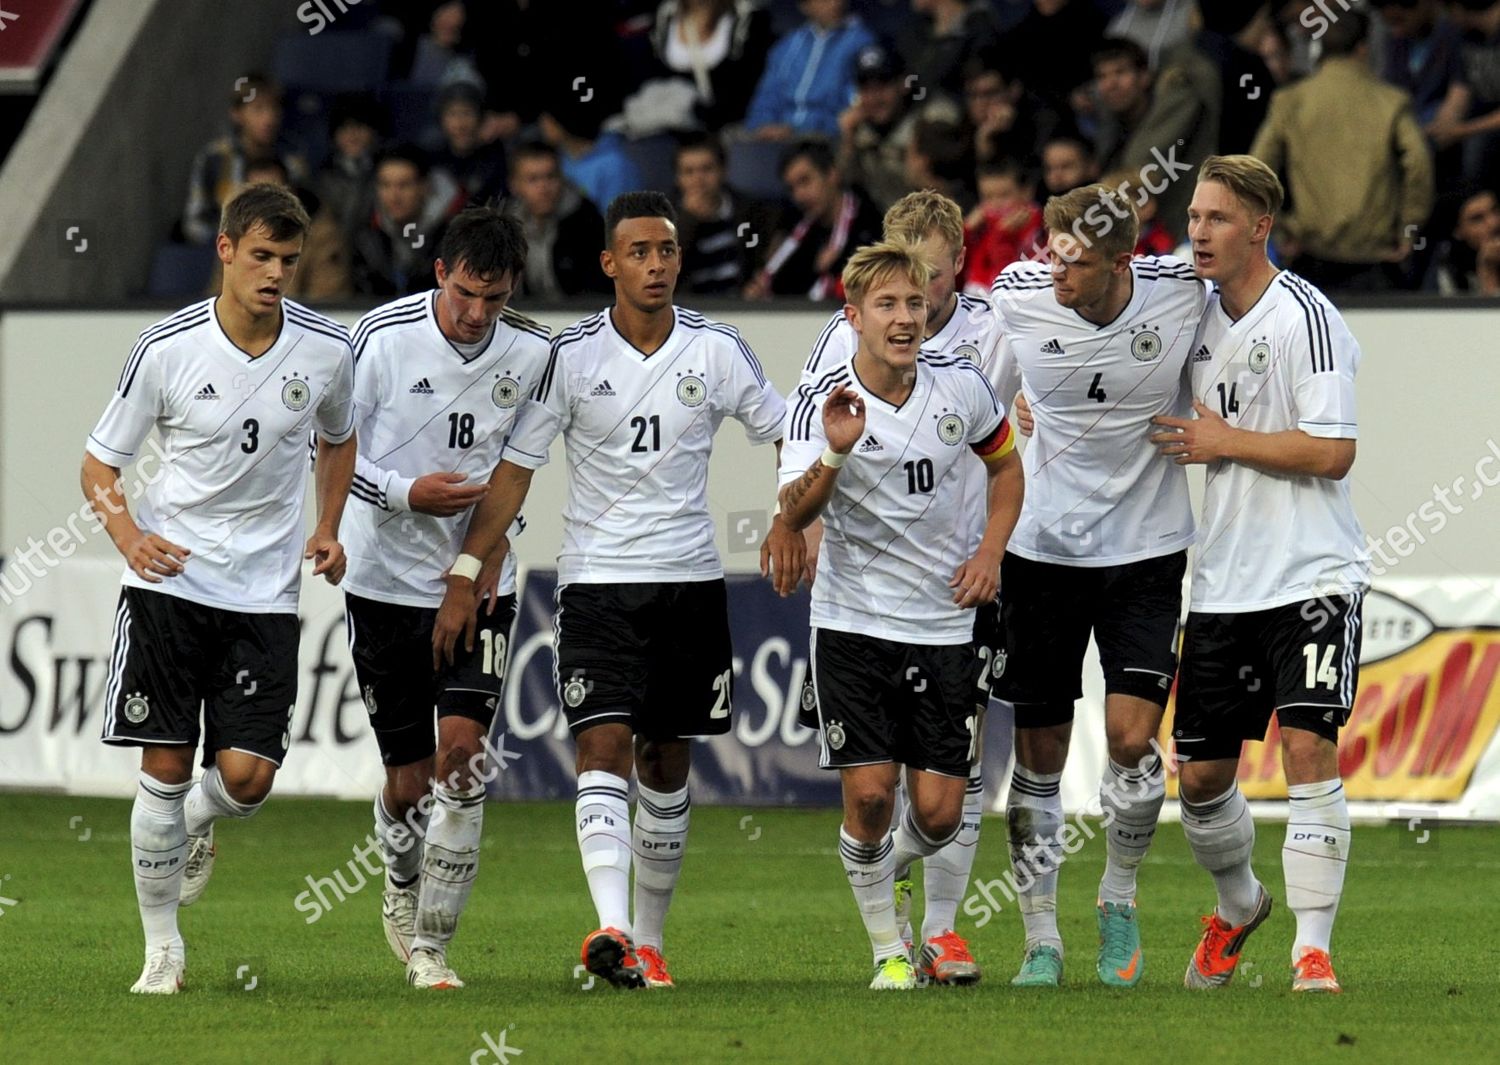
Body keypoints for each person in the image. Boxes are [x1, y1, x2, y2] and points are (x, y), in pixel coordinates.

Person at [431, 191, 798, 990]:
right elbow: (515, 475)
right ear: (609, 263)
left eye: (666, 250)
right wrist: (468, 569)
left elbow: (785, 435)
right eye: (639, 251)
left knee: (667, 762)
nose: (656, 264)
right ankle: (614, 926)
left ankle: (652, 941)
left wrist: (788, 520)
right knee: (602, 748)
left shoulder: (718, 350)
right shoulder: (570, 358)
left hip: (691, 585)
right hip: (597, 586)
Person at [82, 183, 356, 993]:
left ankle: (197, 827)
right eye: (262, 256)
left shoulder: (325, 351)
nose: (275, 273)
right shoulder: (165, 349)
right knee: (164, 768)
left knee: (246, 777)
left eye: (289, 260)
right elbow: (99, 463)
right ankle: (162, 948)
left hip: (263, 595)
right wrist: (129, 536)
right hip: (168, 588)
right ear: (227, 251)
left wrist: (329, 522)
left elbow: (338, 441)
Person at [1149, 154, 1369, 994]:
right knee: (1201, 778)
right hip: (1224, 583)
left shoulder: (1306, 316)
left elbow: (1335, 451)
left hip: (1312, 575)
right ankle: (1240, 903)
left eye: (1217, 219)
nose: (1198, 232)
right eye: (1195, 217)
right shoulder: (1189, 316)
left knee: (1308, 746)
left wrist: (1225, 442)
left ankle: (1312, 948)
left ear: (1260, 227)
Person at [779, 239, 1023, 990]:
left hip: (945, 622)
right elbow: (792, 512)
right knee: (872, 794)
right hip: (852, 620)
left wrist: (990, 550)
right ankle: (890, 948)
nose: (905, 317)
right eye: (887, 304)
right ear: (853, 315)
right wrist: (837, 454)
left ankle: (878, 872)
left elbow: (1006, 467)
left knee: (942, 812)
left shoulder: (963, 389)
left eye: (915, 303)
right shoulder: (820, 397)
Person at [987, 183, 1207, 989]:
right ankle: (1040, 936)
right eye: (1052, 254)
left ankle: (1118, 895)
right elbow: (970, 401)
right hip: (1040, 553)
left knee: (1127, 738)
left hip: (1146, 552)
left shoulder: (1181, 294)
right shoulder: (1016, 297)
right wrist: (1007, 408)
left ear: (1124, 261)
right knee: (1039, 754)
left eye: (1075, 263)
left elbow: (1255, 303)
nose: (1057, 275)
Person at [342, 207, 552, 990]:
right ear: (440, 273)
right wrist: (404, 494)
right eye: (465, 294)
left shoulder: (534, 354)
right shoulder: (379, 339)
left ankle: (433, 946)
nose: (476, 315)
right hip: (382, 581)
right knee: (409, 781)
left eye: (493, 300)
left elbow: (515, 474)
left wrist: (476, 558)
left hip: (479, 582)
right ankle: (399, 875)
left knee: (462, 762)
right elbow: (331, 455)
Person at [1250, 10, 1434, 291]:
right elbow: (1418, 164)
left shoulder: (1290, 100)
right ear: (1363, 47)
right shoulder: (1391, 101)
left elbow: (1256, 169)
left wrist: (1280, 229)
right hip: (1374, 256)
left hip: (1309, 253)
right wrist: (1408, 229)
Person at [746, 139, 884, 299]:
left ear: (832, 174)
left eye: (805, 181)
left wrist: (835, 264)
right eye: (792, 188)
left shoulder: (870, 224)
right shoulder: (792, 226)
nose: (799, 196)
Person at [181, 75, 310, 245]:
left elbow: (304, 216)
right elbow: (194, 223)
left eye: (274, 109)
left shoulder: (292, 158)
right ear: (237, 114)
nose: (269, 119)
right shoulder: (215, 158)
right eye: (258, 109)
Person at [743, 0, 876, 140]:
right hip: (775, 139)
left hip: (825, 140)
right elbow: (765, 99)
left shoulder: (863, 44)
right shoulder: (788, 45)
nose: (833, 3)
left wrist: (798, 130)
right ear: (805, 5)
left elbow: (853, 107)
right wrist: (764, 125)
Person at [672, 135, 777, 294]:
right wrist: (688, 220)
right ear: (678, 179)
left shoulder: (748, 213)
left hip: (739, 308)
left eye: (707, 169)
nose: (698, 180)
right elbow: (668, 273)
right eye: (689, 172)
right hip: (690, 312)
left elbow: (756, 258)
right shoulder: (664, 221)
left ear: (723, 171)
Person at [505, 142, 610, 299]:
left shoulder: (588, 222)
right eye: (533, 180)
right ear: (514, 185)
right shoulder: (505, 228)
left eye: (550, 177)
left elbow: (600, 291)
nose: (544, 187)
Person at [350, 146, 458, 298]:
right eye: (385, 185)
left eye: (404, 185)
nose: (394, 196)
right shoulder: (365, 238)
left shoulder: (452, 238)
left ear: (424, 187)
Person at [962, 159, 1044, 294]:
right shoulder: (980, 225)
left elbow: (1007, 279)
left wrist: (1002, 236)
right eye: (988, 197)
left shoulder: (1037, 229)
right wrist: (966, 231)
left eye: (1004, 195)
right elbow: (958, 266)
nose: (996, 204)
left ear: (1026, 192)